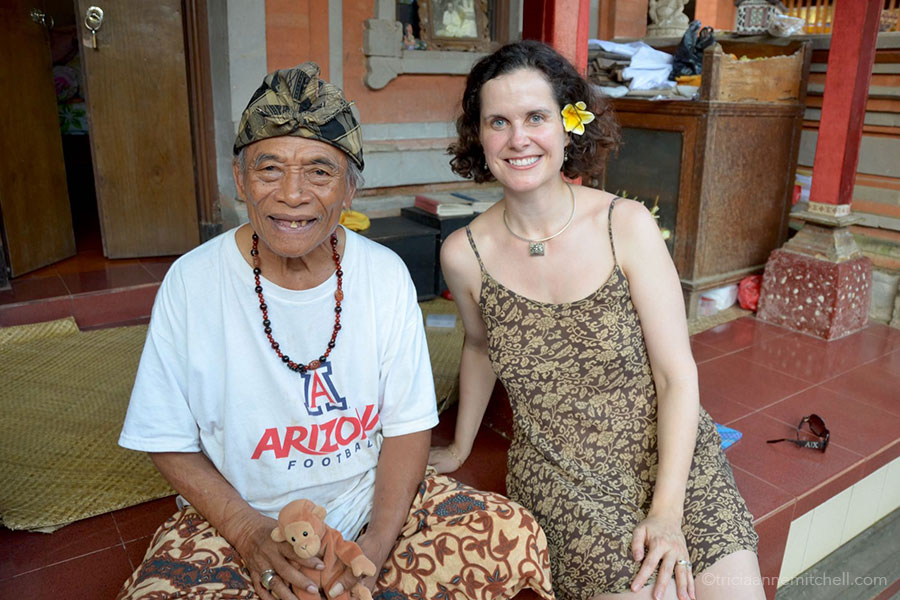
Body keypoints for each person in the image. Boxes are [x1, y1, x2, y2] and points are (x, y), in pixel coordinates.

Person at [117, 63, 553, 600]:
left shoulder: (383, 274)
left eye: (319, 172)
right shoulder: (192, 281)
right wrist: (250, 534)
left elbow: (407, 426)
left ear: (350, 190)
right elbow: (166, 440)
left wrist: (377, 544)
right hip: (240, 516)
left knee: (510, 537)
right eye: (269, 169)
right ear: (240, 180)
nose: (292, 194)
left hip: (365, 500)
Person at [428, 41, 764, 600]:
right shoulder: (465, 254)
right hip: (561, 473)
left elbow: (676, 376)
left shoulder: (624, 226)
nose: (518, 138)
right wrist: (462, 446)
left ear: (569, 125)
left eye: (536, 117)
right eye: (498, 122)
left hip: (667, 451)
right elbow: (480, 347)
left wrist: (667, 512)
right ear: (479, 137)